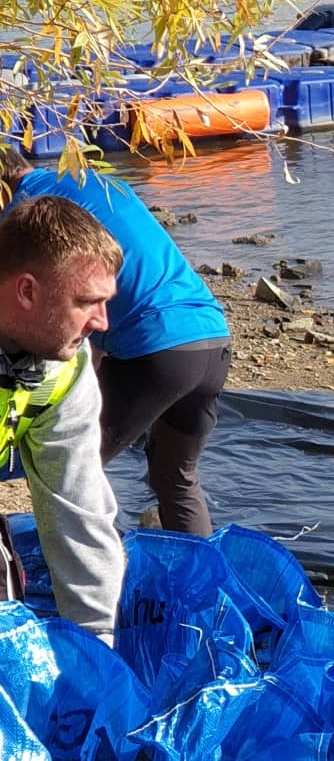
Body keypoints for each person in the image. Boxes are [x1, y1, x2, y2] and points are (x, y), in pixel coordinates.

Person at [1, 151, 230, 536]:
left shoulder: (29, 213)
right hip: (211, 338)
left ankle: (94, 570)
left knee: (69, 471)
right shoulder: (93, 180)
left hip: (156, 346)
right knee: (176, 476)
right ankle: (199, 582)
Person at [0, 196, 126, 639]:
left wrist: (98, 656)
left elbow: (80, 511)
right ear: (27, 291)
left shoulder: (64, 370)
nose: (103, 322)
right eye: (87, 301)